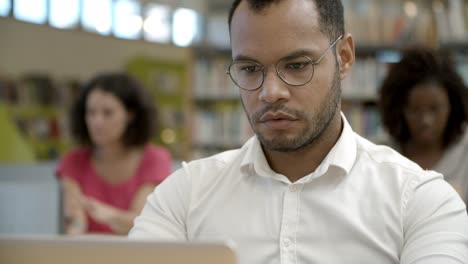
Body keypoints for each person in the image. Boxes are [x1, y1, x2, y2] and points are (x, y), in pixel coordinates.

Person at [129, 0, 468, 263]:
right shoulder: (184, 196)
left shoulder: (421, 201)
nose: (270, 92)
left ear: (345, 57)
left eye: (296, 65)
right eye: (249, 69)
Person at [56, 72, 172, 235]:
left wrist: (109, 215)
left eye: (108, 113)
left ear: (130, 115)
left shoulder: (154, 159)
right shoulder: (74, 160)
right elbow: (74, 219)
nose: (97, 121)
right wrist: (74, 229)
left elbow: (142, 222)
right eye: (91, 112)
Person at [378, 46, 468, 208]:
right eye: (415, 110)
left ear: (452, 107)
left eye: (435, 109)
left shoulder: (464, 153)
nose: (425, 120)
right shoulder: (380, 154)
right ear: (399, 110)